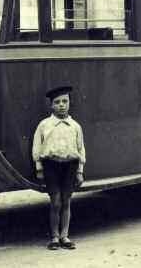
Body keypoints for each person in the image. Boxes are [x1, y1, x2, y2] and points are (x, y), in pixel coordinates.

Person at [31, 85, 86, 250]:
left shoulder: (75, 126)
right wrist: (39, 168)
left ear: (70, 103)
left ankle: (65, 236)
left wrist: (80, 171)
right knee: (55, 201)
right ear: (51, 105)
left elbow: (80, 148)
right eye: (57, 102)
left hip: (70, 166)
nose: (61, 105)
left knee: (66, 201)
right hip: (51, 166)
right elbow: (37, 147)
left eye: (65, 101)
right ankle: (54, 236)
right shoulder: (44, 125)